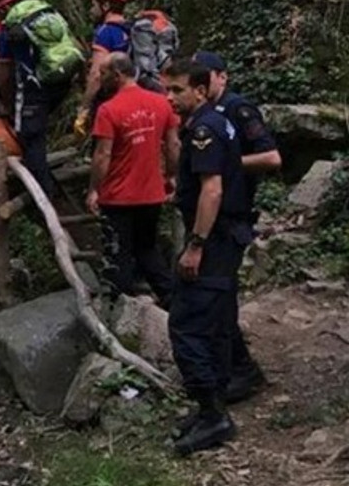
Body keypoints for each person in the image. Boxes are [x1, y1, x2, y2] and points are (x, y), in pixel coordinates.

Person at [162, 57, 253, 456]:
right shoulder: (214, 121)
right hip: (223, 236)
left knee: (187, 324)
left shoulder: (204, 129)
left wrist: (195, 245)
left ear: (199, 90)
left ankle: (214, 415)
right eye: (167, 90)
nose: (170, 97)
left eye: (177, 90)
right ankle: (210, 408)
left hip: (214, 241)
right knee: (213, 322)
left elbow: (212, 190)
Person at [192, 51, 282, 404]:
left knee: (220, 297)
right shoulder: (204, 116)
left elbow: (271, 157)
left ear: (221, 77)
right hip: (214, 215)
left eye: (206, 77)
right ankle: (227, 366)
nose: (200, 85)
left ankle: (241, 371)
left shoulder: (237, 109)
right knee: (215, 297)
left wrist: (226, 163)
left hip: (232, 214)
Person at [85, 52, 178, 306]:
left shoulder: (109, 109)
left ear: (117, 75)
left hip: (117, 196)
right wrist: (170, 175)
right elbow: (173, 144)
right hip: (151, 194)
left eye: (103, 74)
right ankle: (172, 299)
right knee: (147, 248)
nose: (99, 78)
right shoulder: (161, 103)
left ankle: (119, 307)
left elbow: (102, 154)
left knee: (118, 253)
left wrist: (94, 189)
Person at [0, 0, 84, 194]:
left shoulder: (9, 30)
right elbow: (74, 45)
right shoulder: (49, 14)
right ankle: (47, 180)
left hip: (33, 89)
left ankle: (44, 195)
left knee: (28, 135)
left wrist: (7, 105)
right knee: (38, 131)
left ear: (3, 8)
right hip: (63, 80)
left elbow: (4, 75)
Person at [73, 0, 131, 136]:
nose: (91, 10)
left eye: (94, 5)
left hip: (110, 101)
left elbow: (96, 75)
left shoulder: (105, 32)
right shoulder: (128, 30)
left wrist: (84, 108)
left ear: (105, 6)